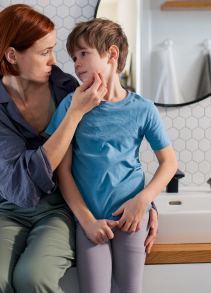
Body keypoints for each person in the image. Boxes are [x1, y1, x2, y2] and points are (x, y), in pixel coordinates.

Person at [0, 5, 159, 293]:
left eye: (54, 50)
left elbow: (103, 154)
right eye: (44, 52)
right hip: (8, 208)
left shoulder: (66, 87)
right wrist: (73, 115)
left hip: (59, 208)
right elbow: (21, 180)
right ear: (12, 55)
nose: (55, 61)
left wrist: (145, 201)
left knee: (34, 278)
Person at [45, 18, 178, 293]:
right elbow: (63, 171)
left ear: (112, 54)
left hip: (132, 217)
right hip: (91, 221)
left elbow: (169, 163)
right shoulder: (72, 105)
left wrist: (143, 202)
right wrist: (86, 220)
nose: (76, 63)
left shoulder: (143, 109)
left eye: (84, 53)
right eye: (73, 57)